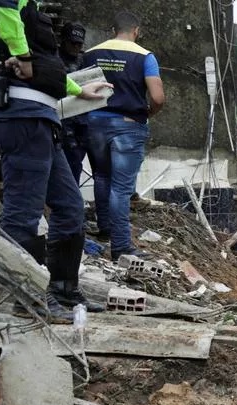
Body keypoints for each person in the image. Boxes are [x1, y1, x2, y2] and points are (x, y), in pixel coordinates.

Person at [0, 0, 112, 320]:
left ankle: (63, 290)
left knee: (70, 208)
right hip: (21, 116)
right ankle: (25, 299)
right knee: (23, 214)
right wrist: (22, 56)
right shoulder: (9, 8)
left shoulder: (28, 10)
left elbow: (42, 71)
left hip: (41, 117)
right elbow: (3, 12)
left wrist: (79, 90)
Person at [82, 12, 165, 260]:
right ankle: (120, 246)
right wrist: (149, 112)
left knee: (101, 177)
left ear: (112, 29)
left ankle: (106, 229)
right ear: (136, 30)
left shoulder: (90, 54)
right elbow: (158, 97)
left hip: (94, 122)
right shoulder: (144, 56)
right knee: (121, 188)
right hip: (128, 125)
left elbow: (80, 89)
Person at [57, 22, 89, 186]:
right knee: (67, 163)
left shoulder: (84, 60)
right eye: (72, 43)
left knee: (76, 162)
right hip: (61, 120)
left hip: (81, 119)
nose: (76, 47)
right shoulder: (53, 59)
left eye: (79, 44)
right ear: (63, 40)